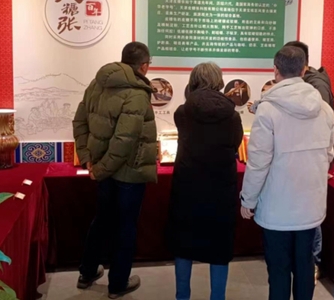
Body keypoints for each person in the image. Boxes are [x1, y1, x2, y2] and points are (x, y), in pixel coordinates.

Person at [240, 46, 334, 300]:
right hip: (310, 206)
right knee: (305, 266)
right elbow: (328, 155)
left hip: (276, 207)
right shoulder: (324, 109)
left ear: (275, 70)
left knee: (279, 270)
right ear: (304, 70)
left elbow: (258, 162)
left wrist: (248, 200)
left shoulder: (267, 110)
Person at [73, 42, 157, 299]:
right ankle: (118, 283)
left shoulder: (97, 84)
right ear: (144, 66)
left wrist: (88, 159)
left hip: (103, 168)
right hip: (128, 172)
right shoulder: (137, 93)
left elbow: (79, 122)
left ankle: (87, 272)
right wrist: (100, 169)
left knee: (102, 220)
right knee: (125, 227)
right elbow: (124, 141)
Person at [167, 62, 244, 300]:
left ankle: (182, 296)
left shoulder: (182, 112)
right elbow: (235, 144)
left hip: (187, 188)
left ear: (193, 81)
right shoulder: (232, 116)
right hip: (221, 190)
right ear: (219, 81)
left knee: (183, 245)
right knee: (220, 248)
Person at [284, 40, 334, 277]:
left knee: (310, 216)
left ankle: (312, 263)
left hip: (311, 160)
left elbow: (317, 126)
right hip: (306, 158)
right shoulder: (307, 83)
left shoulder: (316, 86)